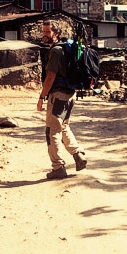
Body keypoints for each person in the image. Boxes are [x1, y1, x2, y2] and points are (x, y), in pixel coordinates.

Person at [37, 21, 87, 179]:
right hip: (69, 95)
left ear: (56, 34)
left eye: (48, 31)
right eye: (43, 31)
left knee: (52, 131)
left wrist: (41, 97)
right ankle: (78, 155)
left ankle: (58, 167)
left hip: (57, 96)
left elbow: (50, 77)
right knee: (63, 126)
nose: (44, 34)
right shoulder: (65, 49)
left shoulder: (56, 51)